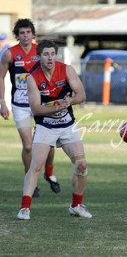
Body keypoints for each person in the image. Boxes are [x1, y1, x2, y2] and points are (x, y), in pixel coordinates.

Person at [17, 39, 91, 220]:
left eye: (53, 54)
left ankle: (76, 205)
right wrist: (56, 108)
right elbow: (35, 109)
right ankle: (25, 208)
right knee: (35, 165)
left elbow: (81, 95)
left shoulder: (67, 70)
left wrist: (70, 101)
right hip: (45, 126)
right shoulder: (32, 78)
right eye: (46, 54)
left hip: (67, 126)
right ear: (38, 56)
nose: (50, 58)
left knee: (81, 165)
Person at [0, 19, 59, 198]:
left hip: (41, 103)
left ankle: (49, 173)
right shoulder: (9, 54)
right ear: (17, 35)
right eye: (22, 33)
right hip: (20, 106)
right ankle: (30, 182)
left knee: (49, 143)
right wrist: (2, 102)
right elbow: (0, 77)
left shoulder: (41, 52)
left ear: (33, 35)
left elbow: (53, 73)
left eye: (28, 32)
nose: (25, 36)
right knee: (28, 146)